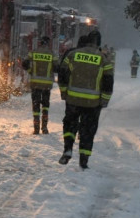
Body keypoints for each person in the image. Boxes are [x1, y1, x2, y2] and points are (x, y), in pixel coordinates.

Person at [57, 29, 114, 169]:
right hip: (93, 103)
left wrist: (64, 92)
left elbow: (63, 74)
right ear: (98, 43)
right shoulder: (103, 59)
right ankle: (84, 160)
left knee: (70, 124)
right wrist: (104, 100)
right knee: (88, 130)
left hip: (73, 100)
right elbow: (108, 82)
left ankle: (68, 149)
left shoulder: (72, 55)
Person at [22, 35, 56, 134]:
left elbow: (24, 63)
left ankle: (36, 128)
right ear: (48, 44)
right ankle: (44, 128)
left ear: (40, 43)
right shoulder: (52, 54)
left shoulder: (33, 52)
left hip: (35, 83)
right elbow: (57, 67)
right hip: (47, 85)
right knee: (45, 105)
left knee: (36, 105)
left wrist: (31, 71)